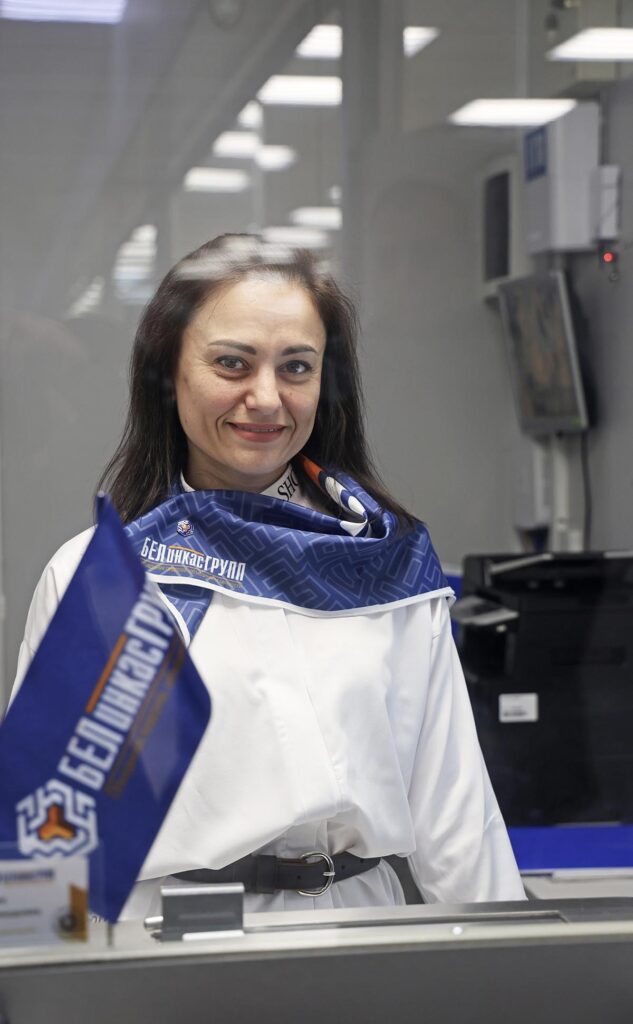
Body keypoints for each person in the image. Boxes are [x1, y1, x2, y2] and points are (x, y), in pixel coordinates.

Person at [12, 234, 525, 918]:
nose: (265, 398)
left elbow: (457, 820)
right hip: (170, 943)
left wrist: (502, 964)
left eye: (296, 367)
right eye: (232, 363)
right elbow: (53, 842)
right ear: (169, 372)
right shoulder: (105, 577)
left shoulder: (388, 562)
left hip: (362, 935)